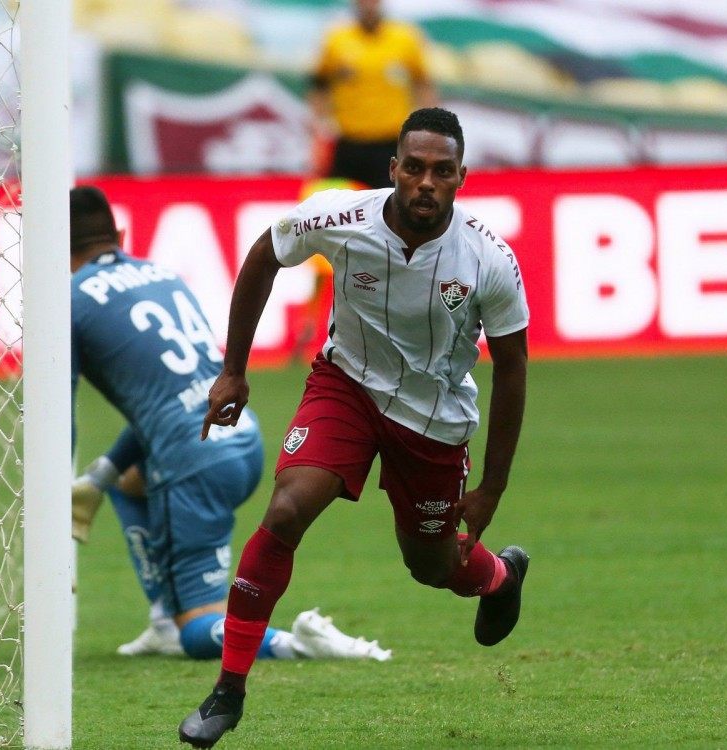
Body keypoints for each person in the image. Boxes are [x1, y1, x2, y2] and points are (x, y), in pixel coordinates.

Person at [178, 107, 531, 748]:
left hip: (433, 419)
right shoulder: (339, 217)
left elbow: (513, 370)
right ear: (393, 168)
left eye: (442, 171)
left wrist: (493, 490)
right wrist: (233, 371)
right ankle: (228, 690)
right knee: (285, 512)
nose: (426, 182)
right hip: (347, 386)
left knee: (429, 565)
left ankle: (500, 577)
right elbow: (264, 255)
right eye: (415, 167)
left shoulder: (490, 261)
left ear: (461, 178)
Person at [69, 185, 392, 665]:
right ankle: (161, 622)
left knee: (199, 629)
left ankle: (296, 642)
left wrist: (57, 493)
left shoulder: (70, 301)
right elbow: (168, 399)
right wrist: (102, 475)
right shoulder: (163, 275)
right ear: (119, 233)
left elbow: (60, 413)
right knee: (129, 483)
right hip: (240, 436)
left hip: (192, 461)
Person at [309, 0, 436, 189]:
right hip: (348, 143)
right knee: (337, 208)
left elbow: (423, 84)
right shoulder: (337, 40)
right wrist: (319, 127)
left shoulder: (405, 39)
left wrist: (426, 128)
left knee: (390, 206)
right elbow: (320, 85)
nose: (368, 5)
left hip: (390, 142)